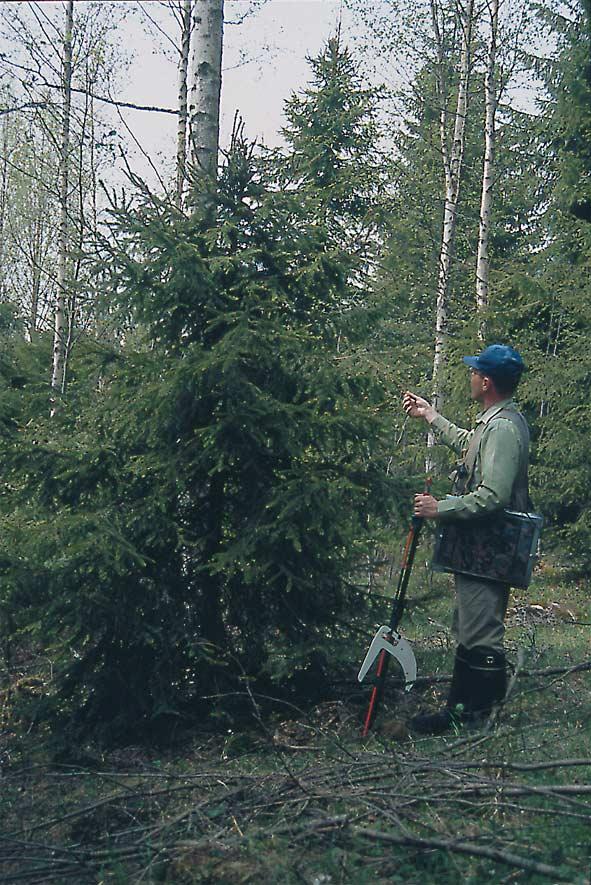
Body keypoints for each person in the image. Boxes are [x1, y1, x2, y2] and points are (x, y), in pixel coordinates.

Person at [402, 343, 529, 733]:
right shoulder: (495, 422)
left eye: (475, 372)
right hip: (482, 548)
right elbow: (469, 445)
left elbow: (493, 495)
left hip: (491, 548)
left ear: (486, 381)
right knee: (471, 625)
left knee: (482, 631)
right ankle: (461, 711)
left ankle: (474, 718)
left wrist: (440, 507)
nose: (470, 376)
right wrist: (431, 416)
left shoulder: (504, 428)